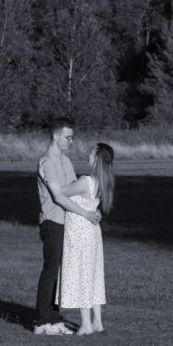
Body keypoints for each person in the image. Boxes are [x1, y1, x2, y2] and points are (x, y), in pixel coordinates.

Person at [34, 117, 101, 336]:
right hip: (53, 221)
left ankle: (54, 319)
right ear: (56, 136)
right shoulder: (47, 162)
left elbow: (76, 192)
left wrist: (94, 208)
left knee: (60, 272)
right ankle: (42, 321)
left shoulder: (65, 161)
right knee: (51, 270)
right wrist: (86, 214)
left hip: (68, 223)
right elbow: (59, 197)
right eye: (68, 137)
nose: (71, 142)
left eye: (72, 138)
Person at [56, 143, 115, 335]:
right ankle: (97, 321)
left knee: (82, 275)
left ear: (97, 158)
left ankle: (86, 324)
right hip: (92, 232)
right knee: (94, 276)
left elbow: (61, 192)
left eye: (91, 152)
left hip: (80, 232)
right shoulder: (103, 182)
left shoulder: (86, 181)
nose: (87, 154)